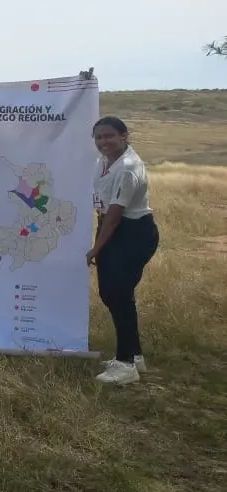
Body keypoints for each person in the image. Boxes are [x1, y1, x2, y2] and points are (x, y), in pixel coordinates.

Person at [89, 117, 159, 385]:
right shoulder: (105, 161)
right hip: (113, 229)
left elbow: (116, 214)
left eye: (109, 136)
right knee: (115, 294)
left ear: (124, 136)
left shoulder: (128, 167)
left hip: (132, 233)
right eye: (98, 138)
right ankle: (134, 355)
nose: (104, 142)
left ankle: (125, 364)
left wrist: (96, 248)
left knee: (116, 294)